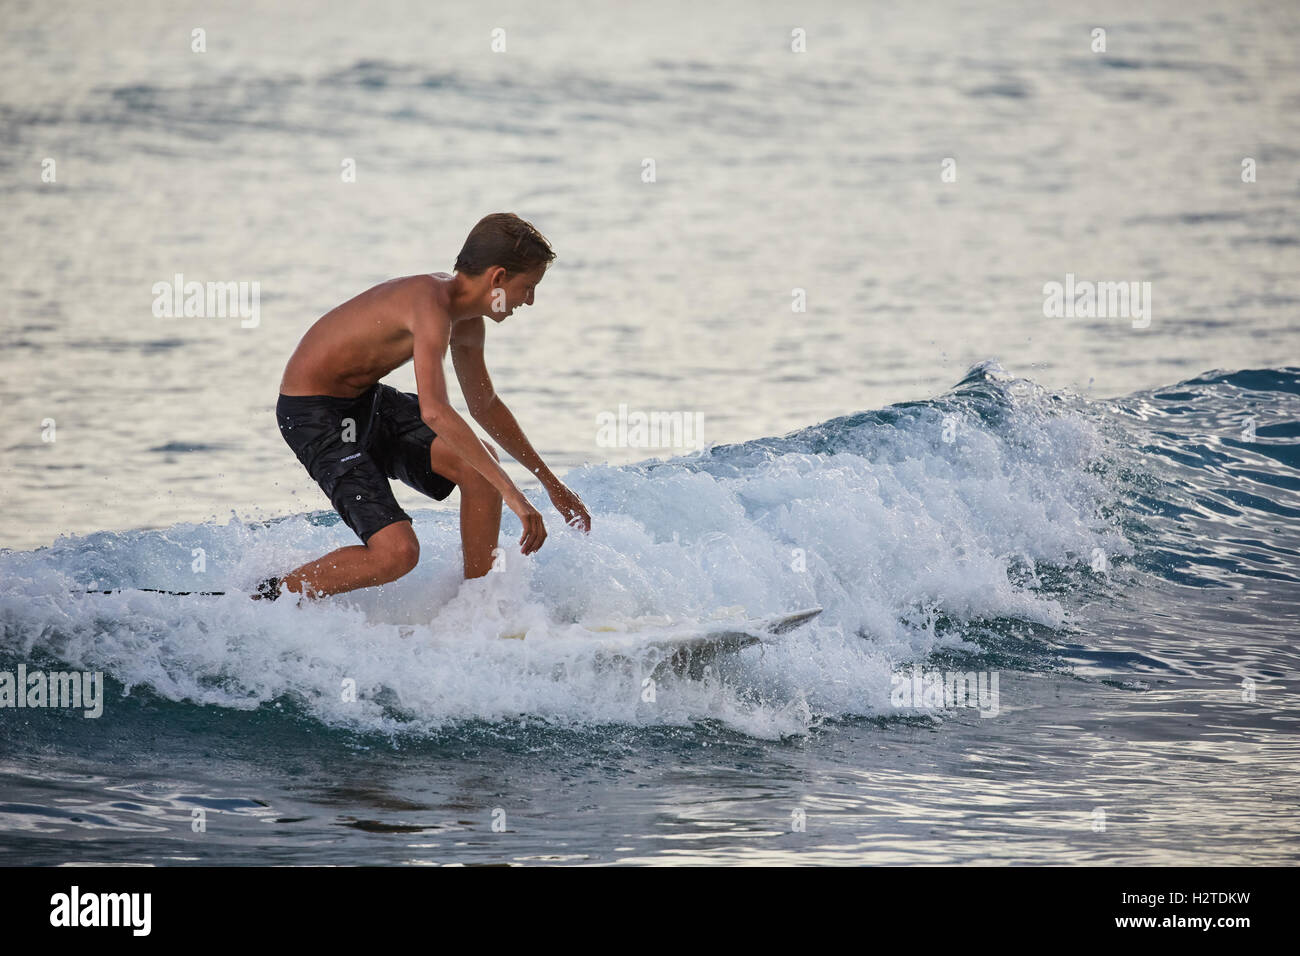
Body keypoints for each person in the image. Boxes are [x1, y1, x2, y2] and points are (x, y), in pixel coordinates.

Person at [255, 212, 590, 601]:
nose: (529, 301)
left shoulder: (467, 321)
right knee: (397, 554)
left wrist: (551, 484)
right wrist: (517, 497)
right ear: (498, 278)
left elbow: (486, 406)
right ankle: (269, 596)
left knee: (482, 468)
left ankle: (475, 609)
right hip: (315, 414)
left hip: (366, 402)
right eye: (528, 287)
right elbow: (435, 411)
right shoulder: (429, 304)